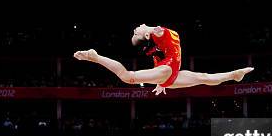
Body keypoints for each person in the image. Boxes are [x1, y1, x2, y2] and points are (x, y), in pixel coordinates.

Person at [74, 24, 254, 95]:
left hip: (169, 70)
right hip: (169, 72)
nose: (136, 29)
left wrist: (148, 29)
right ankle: (233, 75)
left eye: (135, 32)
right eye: (136, 32)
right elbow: (157, 55)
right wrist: (160, 81)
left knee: (127, 77)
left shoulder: (159, 33)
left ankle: (95, 57)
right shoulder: (154, 42)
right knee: (204, 78)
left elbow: (156, 31)